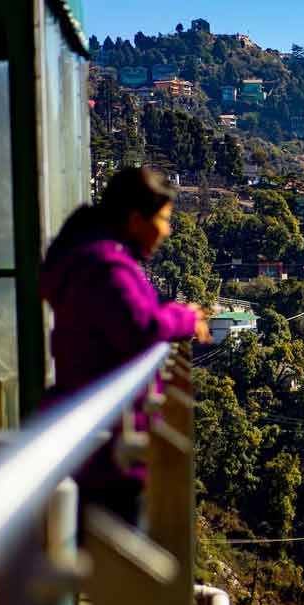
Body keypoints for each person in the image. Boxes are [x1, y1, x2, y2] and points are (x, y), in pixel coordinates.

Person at [40, 167, 211, 525]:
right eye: (164, 219)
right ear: (136, 220)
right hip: (107, 453)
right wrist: (184, 319)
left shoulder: (92, 259)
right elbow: (141, 327)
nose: (167, 230)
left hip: (95, 441)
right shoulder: (107, 267)